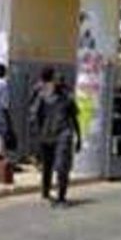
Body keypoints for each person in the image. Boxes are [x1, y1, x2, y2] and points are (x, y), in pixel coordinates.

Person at [33, 73, 81, 207]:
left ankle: (61, 197)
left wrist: (79, 138)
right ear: (52, 83)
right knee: (47, 166)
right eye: (56, 83)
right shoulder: (43, 97)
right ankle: (45, 191)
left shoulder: (68, 99)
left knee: (61, 166)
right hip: (47, 135)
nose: (58, 86)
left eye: (61, 83)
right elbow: (35, 116)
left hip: (63, 135)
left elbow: (75, 119)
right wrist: (38, 133)